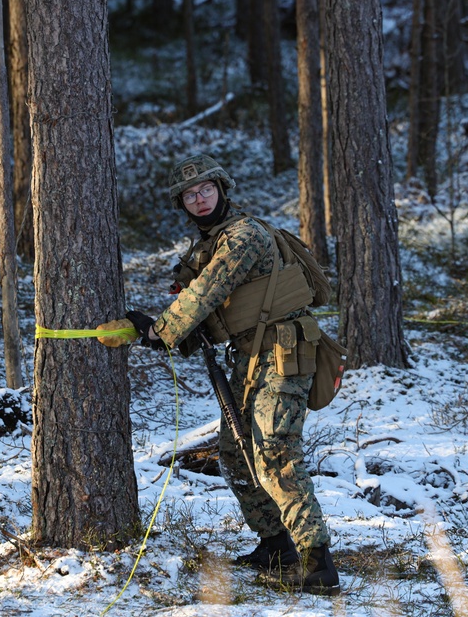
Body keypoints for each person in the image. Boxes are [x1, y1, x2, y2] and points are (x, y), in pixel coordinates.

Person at [125, 154, 340, 596]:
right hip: (247, 357)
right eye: (189, 195)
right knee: (235, 451)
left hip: (284, 351)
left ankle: (318, 561)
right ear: (181, 204)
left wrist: (159, 331)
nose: (199, 200)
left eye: (206, 190)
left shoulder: (243, 236)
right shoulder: (206, 246)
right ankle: (276, 545)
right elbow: (208, 311)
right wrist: (162, 331)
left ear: (223, 190)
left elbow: (207, 292)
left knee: (275, 450)